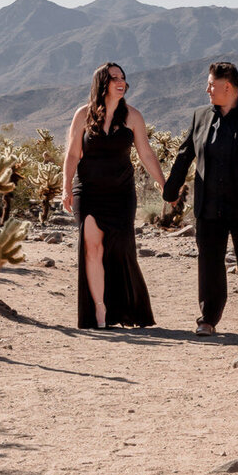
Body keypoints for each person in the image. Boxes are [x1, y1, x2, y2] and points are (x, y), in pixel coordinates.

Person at [161, 61, 238, 336]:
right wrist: (171, 189)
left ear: (227, 86)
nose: (207, 90)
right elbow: (185, 154)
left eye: (211, 85)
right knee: (209, 261)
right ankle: (208, 318)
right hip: (209, 203)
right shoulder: (201, 116)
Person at [62, 62, 168, 329]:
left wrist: (164, 185)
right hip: (88, 191)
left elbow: (146, 154)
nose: (121, 82)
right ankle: (99, 310)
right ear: (102, 83)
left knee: (121, 250)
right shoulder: (83, 115)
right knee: (92, 248)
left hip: (121, 193)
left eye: (123, 78)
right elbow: (73, 154)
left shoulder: (132, 116)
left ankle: (127, 309)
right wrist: (65, 188)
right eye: (114, 78)